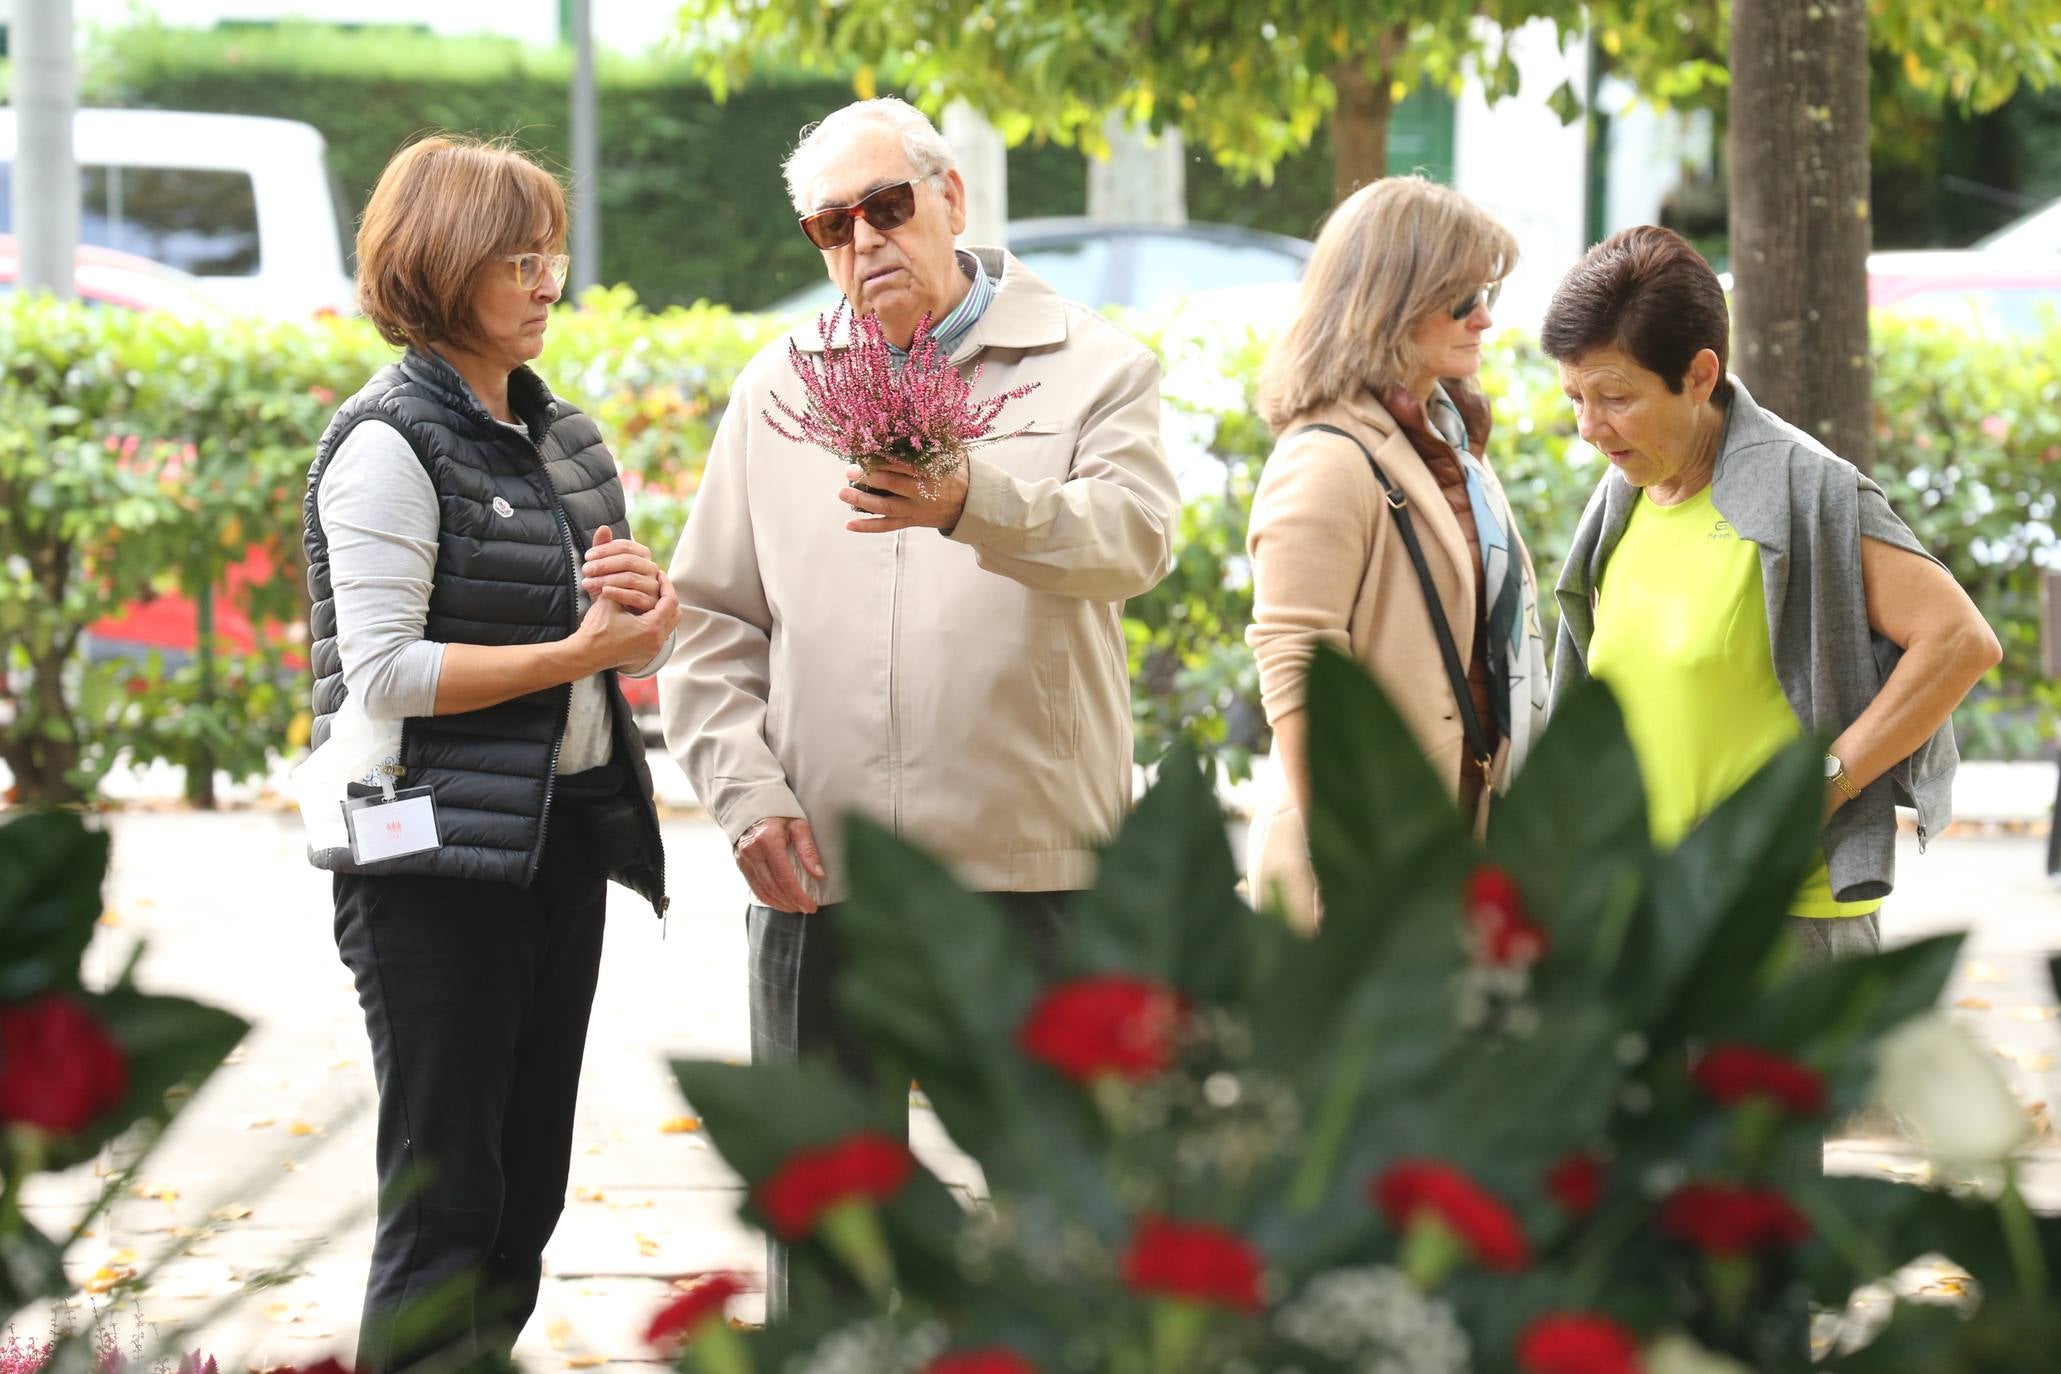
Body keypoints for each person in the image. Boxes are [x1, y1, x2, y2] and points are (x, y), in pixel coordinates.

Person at [658, 97, 1177, 1302]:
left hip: (1033, 869)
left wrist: (969, 499)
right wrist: (744, 798)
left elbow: (1135, 543)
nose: (862, 244)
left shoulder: (1096, 363)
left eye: (886, 207)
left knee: (1060, 1220)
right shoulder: (777, 389)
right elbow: (711, 625)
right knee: (828, 1230)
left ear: (952, 199)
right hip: (820, 873)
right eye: (829, 226)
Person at [302, 134, 680, 1372]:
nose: (546, 277)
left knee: (525, 1193)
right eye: (517, 256)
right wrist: (576, 655)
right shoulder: (385, 442)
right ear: (440, 263)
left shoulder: (566, 438)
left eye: (551, 251)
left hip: (558, 842)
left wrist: (645, 615)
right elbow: (388, 674)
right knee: (444, 1201)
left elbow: (613, 639)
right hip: (428, 866)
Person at [1544, 225, 2001, 960]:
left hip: (1779, 926)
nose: (1589, 427)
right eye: (1574, 398)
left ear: (1698, 374)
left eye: (1614, 397)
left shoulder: (1802, 489)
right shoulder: (1621, 499)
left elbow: (1958, 641)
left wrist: (1818, 789)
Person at [1244, 176, 1548, 928]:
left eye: (1489, 295)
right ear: (1390, 298)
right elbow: (1296, 668)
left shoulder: (1447, 437)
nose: (1483, 318)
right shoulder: (1326, 457)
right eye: (1461, 298)